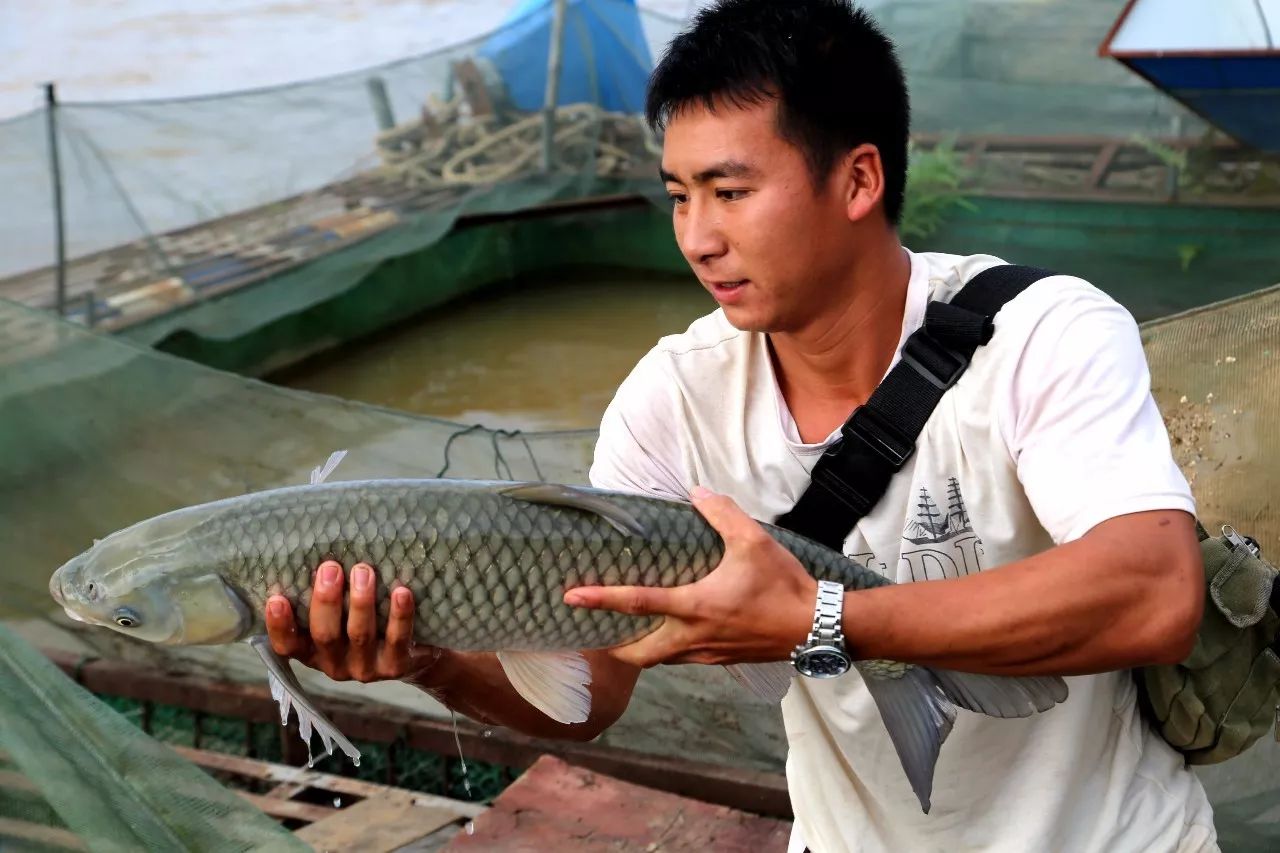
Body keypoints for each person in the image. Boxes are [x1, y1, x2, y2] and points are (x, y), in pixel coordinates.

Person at [265, 1, 1217, 849]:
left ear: (857, 182)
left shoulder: (1041, 329)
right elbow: (591, 691)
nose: (696, 238)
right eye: (679, 196)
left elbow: (1153, 590)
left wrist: (823, 618)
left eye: (730, 191)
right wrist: (427, 656)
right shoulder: (672, 399)